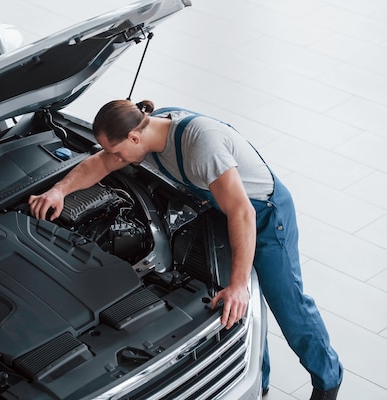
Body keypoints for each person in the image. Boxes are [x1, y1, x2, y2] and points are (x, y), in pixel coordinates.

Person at [28, 99, 343, 399]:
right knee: (242, 305)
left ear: (134, 137)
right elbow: (100, 162)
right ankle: (258, 378)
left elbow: (243, 213)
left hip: (263, 216)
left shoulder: (199, 145)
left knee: (287, 303)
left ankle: (329, 378)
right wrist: (59, 190)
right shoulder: (148, 133)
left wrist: (237, 285)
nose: (117, 159)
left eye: (118, 151)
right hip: (224, 210)